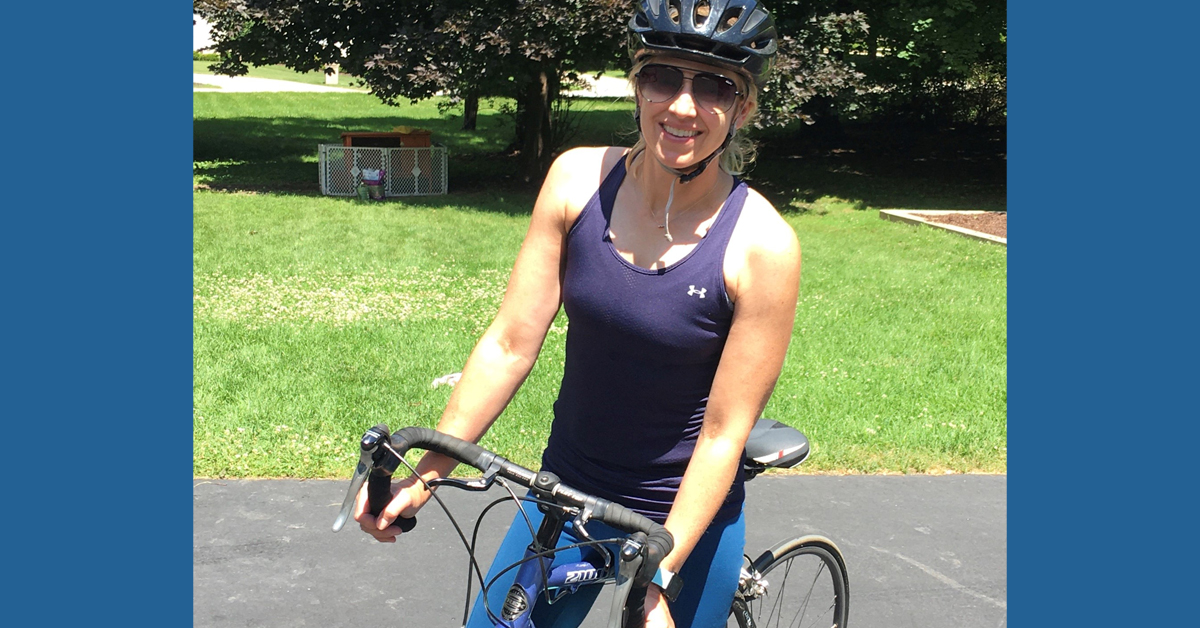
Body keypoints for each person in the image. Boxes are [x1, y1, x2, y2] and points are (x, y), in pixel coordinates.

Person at [354, 1, 799, 626]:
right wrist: (426, 474)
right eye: (663, 77)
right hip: (567, 493)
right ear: (637, 83)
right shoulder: (575, 182)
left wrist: (659, 574)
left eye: (715, 86)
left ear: (744, 107)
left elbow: (724, 433)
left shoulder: (764, 246)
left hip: (681, 515)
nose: (681, 105)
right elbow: (510, 344)